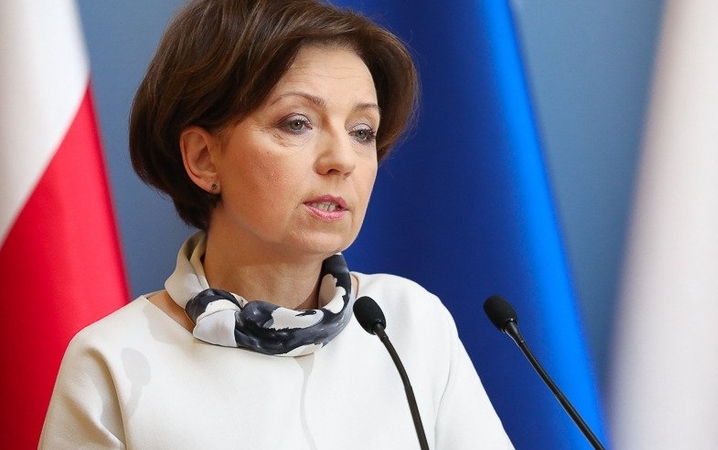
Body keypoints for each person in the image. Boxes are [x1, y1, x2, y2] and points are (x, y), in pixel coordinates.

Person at [38, 0, 514, 448]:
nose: (342, 159)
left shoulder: (408, 323)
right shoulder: (113, 360)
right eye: (297, 123)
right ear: (204, 158)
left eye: (362, 131)